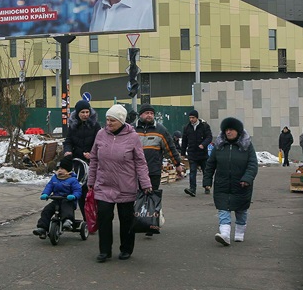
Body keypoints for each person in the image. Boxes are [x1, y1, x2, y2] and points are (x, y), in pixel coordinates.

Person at [88, 104, 152, 262]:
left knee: (126, 220)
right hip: (104, 185)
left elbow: (140, 162)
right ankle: (104, 251)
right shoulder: (101, 134)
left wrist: (145, 184)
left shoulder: (133, 137)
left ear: (122, 121)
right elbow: (94, 158)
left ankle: (126, 249)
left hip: (125, 186)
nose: (108, 123)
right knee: (103, 217)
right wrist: (91, 180)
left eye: (113, 121)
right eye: (107, 120)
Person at [203, 117, 258, 246]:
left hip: (241, 185)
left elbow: (252, 164)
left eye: (231, 130)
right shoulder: (219, 146)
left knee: (241, 209)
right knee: (223, 208)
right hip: (222, 184)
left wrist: (247, 178)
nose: (228, 132)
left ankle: (239, 232)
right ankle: (225, 234)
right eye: (226, 130)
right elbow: (210, 164)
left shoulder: (247, 145)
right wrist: (207, 180)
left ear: (238, 131)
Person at [133, 104, 183, 236]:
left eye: (151, 113)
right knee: (136, 197)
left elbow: (170, 148)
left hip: (153, 170)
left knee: (152, 196)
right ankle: (137, 221)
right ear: (141, 115)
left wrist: (177, 164)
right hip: (134, 171)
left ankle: (151, 224)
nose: (149, 115)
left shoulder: (160, 130)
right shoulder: (132, 129)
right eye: (146, 113)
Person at [63, 99, 101, 220]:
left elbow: (100, 143)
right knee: (81, 190)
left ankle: (97, 216)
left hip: (93, 162)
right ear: (77, 113)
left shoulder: (95, 125)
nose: (85, 115)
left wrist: (93, 154)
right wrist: (68, 150)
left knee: (94, 190)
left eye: (87, 112)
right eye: (82, 112)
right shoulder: (73, 125)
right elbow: (68, 140)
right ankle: (87, 219)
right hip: (78, 162)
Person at [32, 155, 82, 239]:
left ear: (68, 170)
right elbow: (49, 186)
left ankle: (67, 221)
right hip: (56, 200)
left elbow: (78, 191)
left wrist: (73, 196)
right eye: (59, 169)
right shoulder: (54, 178)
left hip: (67, 200)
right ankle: (42, 227)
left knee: (66, 208)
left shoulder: (72, 180)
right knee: (46, 210)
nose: (60, 171)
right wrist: (45, 194)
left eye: (62, 169)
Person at [181, 110, 213, 196]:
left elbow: (209, 137)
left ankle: (207, 186)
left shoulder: (204, 126)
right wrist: (183, 153)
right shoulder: (187, 127)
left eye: (193, 118)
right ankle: (192, 189)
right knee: (192, 172)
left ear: (197, 118)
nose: (191, 119)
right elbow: (184, 141)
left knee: (205, 171)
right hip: (192, 153)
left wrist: (203, 144)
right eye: (190, 118)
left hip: (203, 154)